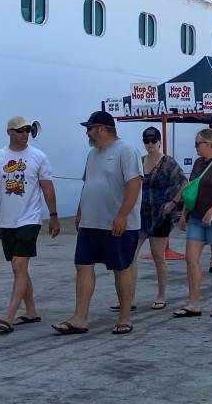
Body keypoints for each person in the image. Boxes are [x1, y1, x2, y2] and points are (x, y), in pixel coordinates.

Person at [0, 116, 60, 333]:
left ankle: (9, 315)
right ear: (9, 132)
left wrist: (53, 216)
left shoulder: (38, 157)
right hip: (7, 221)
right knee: (19, 268)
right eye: (20, 130)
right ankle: (32, 311)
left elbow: (47, 188)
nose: (25, 134)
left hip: (30, 218)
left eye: (27, 130)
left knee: (19, 265)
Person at [52, 111, 142, 335]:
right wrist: (80, 211)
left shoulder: (127, 151)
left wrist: (122, 215)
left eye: (89, 129)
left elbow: (134, 185)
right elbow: (89, 184)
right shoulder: (92, 154)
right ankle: (79, 318)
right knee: (82, 265)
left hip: (117, 223)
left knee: (121, 268)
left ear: (102, 129)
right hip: (90, 223)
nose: (87, 134)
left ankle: (124, 318)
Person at [115, 127, 187, 311]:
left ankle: (161, 296)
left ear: (160, 141)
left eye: (153, 140)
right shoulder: (140, 161)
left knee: (158, 256)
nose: (150, 144)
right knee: (130, 257)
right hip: (140, 214)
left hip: (161, 215)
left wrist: (173, 202)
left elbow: (184, 182)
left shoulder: (168, 162)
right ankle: (128, 298)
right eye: (147, 140)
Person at [174, 128, 212, 319]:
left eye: (197, 144)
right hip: (197, 218)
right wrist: (184, 213)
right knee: (191, 259)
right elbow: (191, 189)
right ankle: (193, 303)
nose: (195, 148)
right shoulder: (198, 163)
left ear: (208, 144)